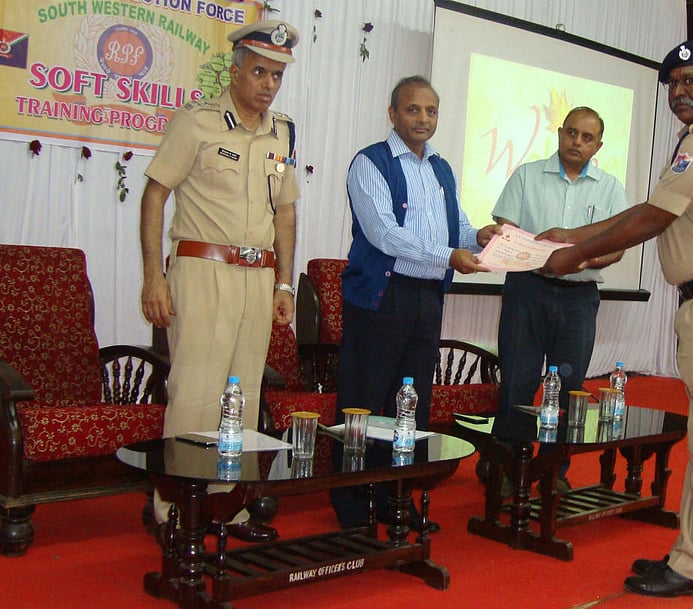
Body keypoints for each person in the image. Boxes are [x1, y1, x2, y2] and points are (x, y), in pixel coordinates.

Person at [539, 39, 693, 598]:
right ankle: (691, 555)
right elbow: (658, 206)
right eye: (673, 84)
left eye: (692, 80)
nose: (679, 92)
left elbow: (652, 217)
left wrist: (573, 256)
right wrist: (574, 235)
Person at [140, 20, 301, 543]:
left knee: (242, 395)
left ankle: (226, 508)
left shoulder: (281, 133)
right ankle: (172, 509)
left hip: (258, 278)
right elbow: (154, 195)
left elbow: (286, 214)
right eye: (259, 71)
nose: (268, 84)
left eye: (277, 75)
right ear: (234, 71)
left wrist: (284, 284)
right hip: (202, 269)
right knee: (195, 392)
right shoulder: (197, 123)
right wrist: (152, 277)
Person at [330, 75, 501, 529]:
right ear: (393, 114)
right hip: (381, 297)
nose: (423, 119)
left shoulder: (441, 168)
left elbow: (456, 227)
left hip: (427, 298)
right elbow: (384, 234)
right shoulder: (370, 163)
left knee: (411, 403)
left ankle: (396, 500)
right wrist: (449, 254)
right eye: (412, 109)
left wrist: (478, 237)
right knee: (364, 402)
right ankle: (352, 507)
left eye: (431, 111)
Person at [492, 107, 628, 489]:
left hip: (579, 298)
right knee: (517, 380)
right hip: (527, 291)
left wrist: (584, 257)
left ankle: (554, 472)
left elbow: (618, 246)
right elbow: (506, 227)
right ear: (559, 133)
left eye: (587, 138)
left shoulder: (610, 187)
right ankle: (507, 468)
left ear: (598, 145)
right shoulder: (527, 175)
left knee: (570, 389)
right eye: (571, 133)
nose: (577, 143)